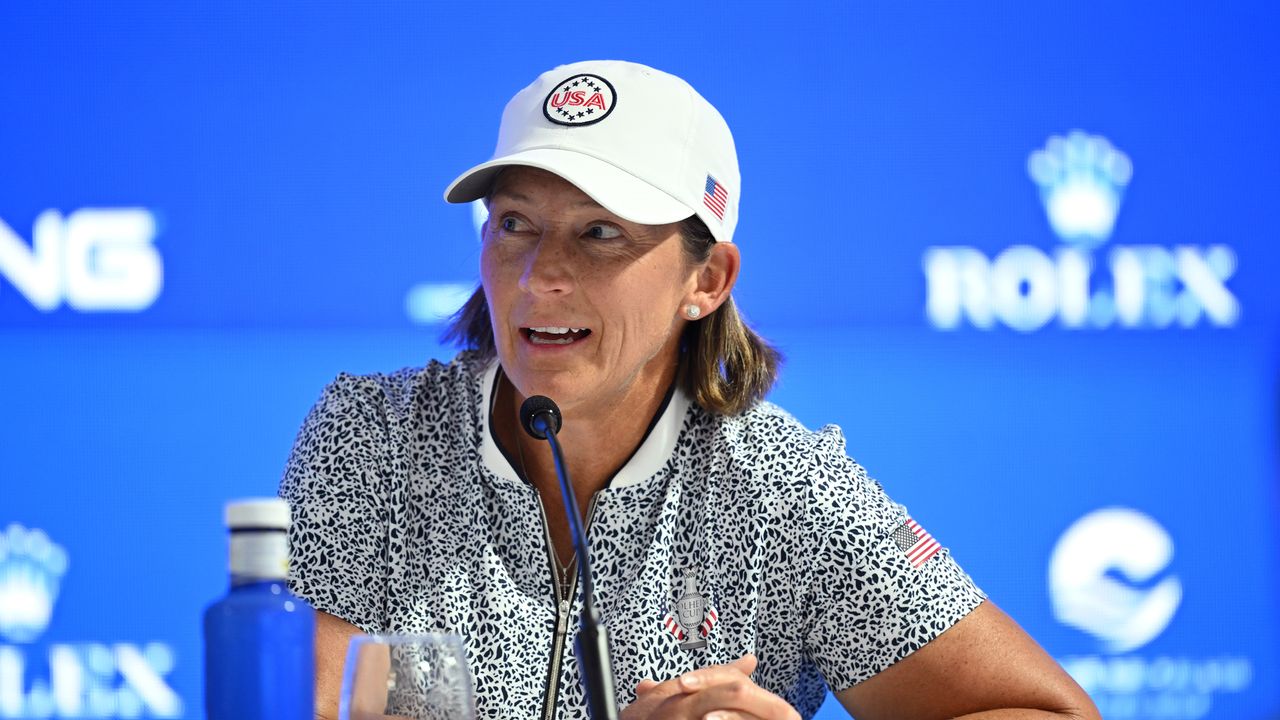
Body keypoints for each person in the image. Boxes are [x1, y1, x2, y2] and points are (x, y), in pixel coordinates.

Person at [280, 59, 1101, 720]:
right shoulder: (375, 436)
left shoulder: (780, 488)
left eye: (601, 233)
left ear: (706, 279)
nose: (540, 277)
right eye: (514, 225)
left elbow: (1048, 714)